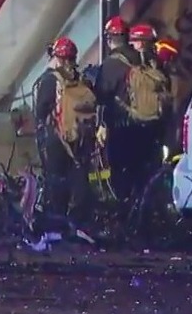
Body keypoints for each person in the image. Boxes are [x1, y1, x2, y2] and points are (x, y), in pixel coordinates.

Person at [94, 23, 173, 241]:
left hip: (123, 130)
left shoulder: (112, 64)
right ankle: (147, 224)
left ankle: (125, 226)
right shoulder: (156, 65)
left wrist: (102, 125)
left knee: (122, 179)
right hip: (152, 131)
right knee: (146, 178)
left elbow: (101, 96)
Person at [33, 37, 97, 243]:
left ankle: (56, 228)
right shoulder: (80, 79)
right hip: (79, 139)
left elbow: (40, 111)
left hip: (56, 139)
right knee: (78, 180)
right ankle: (78, 225)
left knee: (55, 181)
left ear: (56, 57)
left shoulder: (50, 80)